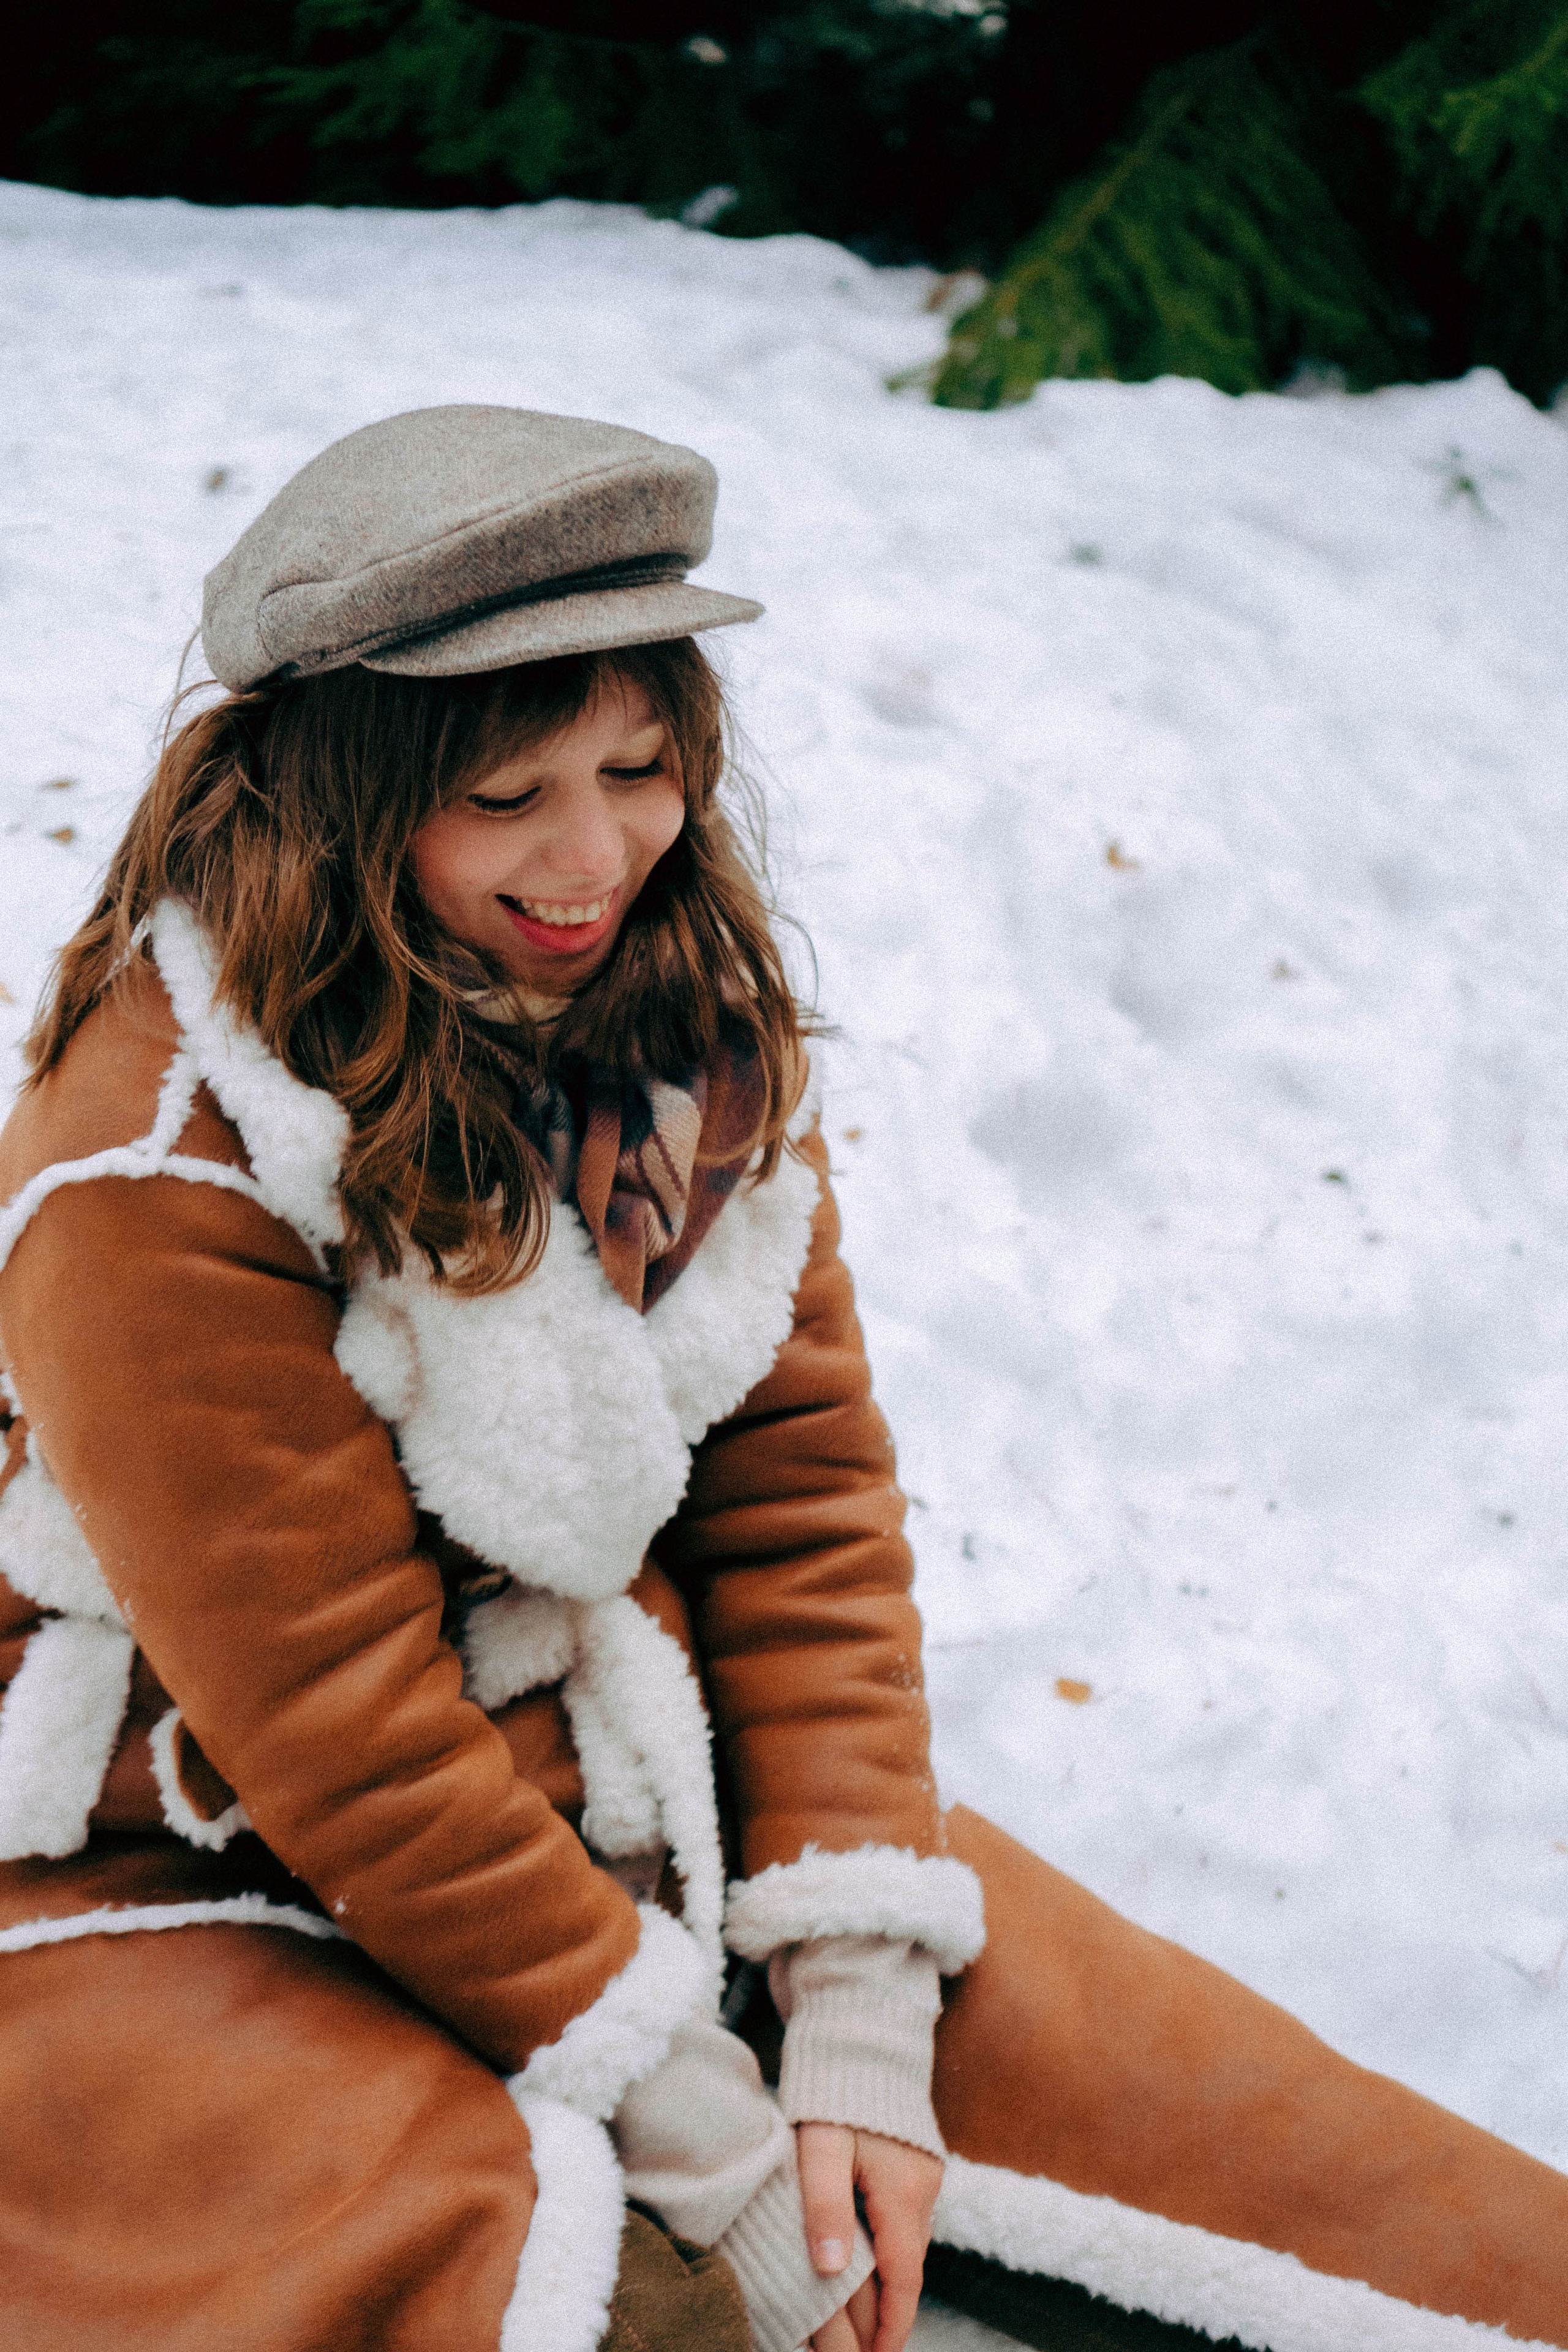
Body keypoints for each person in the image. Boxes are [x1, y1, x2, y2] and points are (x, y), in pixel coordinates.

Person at [0, 404, 1563, 2352]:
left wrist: (852, 1986)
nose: (595, 858)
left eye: (639, 769)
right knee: (605, 2306)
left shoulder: (671, 1040)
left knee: (1385, 2228)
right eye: (506, 799)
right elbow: (331, 1716)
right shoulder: (156, 1163)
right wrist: (692, 2107)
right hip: (226, 1846)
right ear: (337, 795)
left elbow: (800, 1500)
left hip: (629, 1769)